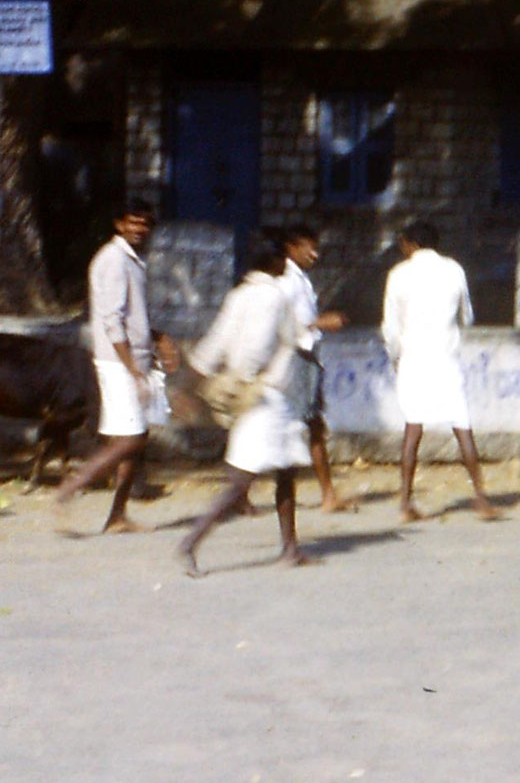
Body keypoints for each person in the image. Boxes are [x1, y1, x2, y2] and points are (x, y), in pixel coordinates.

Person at [177, 234, 313, 575]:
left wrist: (190, 382)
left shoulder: (238, 295)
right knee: (242, 480)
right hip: (265, 396)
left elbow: (216, 342)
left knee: (284, 471)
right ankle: (191, 542)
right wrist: (247, 378)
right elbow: (265, 342)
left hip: (255, 394)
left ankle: (291, 548)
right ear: (276, 261)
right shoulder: (275, 296)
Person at [56, 200, 173, 533]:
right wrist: (131, 367)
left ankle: (117, 516)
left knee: (135, 439)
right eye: (133, 223)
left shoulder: (133, 262)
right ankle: (69, 489)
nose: (139, 229)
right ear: (119, 224)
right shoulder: (113, 260)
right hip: (119, 361)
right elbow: (112, 320)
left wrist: (158, 338)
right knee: (128, 441)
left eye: (145, 224)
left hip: (134, 358)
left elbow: (133, 317)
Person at [382, 220, 497, 522]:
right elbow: (467, 315)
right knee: (462, 428)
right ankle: (482, 499)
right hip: (445, 358)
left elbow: (391, 326)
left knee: (413, 430)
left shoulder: (399, 274)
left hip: (413, 359)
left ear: (410, 244)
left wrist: (395, 356)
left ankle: (405, 502)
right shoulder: (454, 270)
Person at [278, 224, 354, 513]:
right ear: (291, 247)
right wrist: (321, 323)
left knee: (313, 426)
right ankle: (326, 495)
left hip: (307, 356)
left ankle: (328, 494)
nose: (314, 254)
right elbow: (282, 324)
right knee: (304, 427)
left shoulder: (301, 280)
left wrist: (318, 323)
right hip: (294, 358)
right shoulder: (286, 281)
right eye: (308, 247)